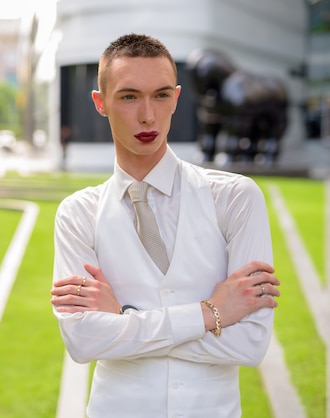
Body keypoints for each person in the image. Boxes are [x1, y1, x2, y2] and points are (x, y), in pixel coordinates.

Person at [50, 34, 281, 418]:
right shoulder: (77, 213)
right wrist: (211, 314)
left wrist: (124, 325)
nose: (148, 115)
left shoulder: (236, 198)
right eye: (128, 97)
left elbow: (250, 344)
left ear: (175, 98)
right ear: (100, 103)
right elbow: (83, 341)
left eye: (160, 95)